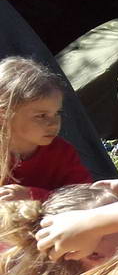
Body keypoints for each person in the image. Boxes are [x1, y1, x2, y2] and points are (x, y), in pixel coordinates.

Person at [0, 57, 92, 202]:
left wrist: (33, 195)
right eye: (41, 116)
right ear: (4, 115)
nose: (54, 123)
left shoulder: (62, 152)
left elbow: (86, 197)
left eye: (57, 113)